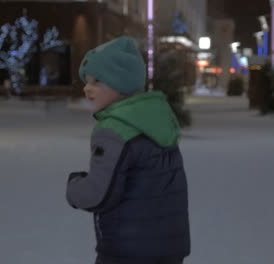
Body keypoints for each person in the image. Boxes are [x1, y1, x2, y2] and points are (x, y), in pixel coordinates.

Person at [66, 36, 190, 264]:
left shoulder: (115, 130)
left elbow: (98, 194)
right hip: (168, 246)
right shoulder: (158, 119)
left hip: (128, 250)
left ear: (120, 84)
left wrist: (74, 187)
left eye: (96, 81)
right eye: (86, 80)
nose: (86, 88)